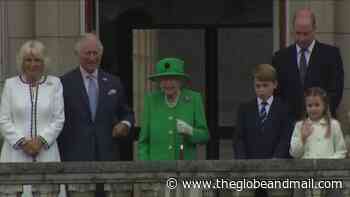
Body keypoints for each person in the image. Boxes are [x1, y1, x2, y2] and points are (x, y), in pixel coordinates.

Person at [58, 33, 134, 197]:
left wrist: (125, 124)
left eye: (96, 53)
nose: (92, 58)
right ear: (78, 54)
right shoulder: (64, 83)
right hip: (76, 159)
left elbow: (126, 112)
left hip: (108, 158)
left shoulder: (114, 82)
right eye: (87, 53)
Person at [0, 40, 65, 196]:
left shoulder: (55, 84)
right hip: (15, 153)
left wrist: (40, 141)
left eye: (37, 60)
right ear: (21, 62)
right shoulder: (10, 84)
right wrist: (23, 142)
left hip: (46, 152)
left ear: (44, 62)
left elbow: (58, 119)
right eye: (28, 60)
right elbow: (3, 119)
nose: (32, 64)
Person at [272, 8, 344, 121]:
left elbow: (336, 91)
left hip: (322, 124)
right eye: (298, 33)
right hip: (289, 125)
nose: (301, 38)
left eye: (306, 34)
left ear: (314, 29)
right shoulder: (280, 58)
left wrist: (317, 116)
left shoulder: (331, 55)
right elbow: (276, 94)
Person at [233, 64, 293, 197]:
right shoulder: (245, 109)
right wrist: (242, 160)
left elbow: (286, 136)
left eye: (265, 85)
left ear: (275, 84)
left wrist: (276, 159)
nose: (261, 90)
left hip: (276, 169)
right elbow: (239, 138)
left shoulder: (284, 108)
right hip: (249, 168)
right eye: (257, 86)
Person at [138, 57, 209, 160]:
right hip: (157, 169)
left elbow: (205, 136)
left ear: (180, 81)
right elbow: (143, 141)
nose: (168, 84)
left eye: (172, 79)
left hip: (185, 168)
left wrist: (190, 131)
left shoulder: (194, 99)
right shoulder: (151, 100)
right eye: (164, 80)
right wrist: (145, 168)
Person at [290, 87, 346, 197]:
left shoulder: (334, 125)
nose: (313, 109)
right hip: (305, 178)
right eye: (310, 106)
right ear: (306, 107)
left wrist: (326, 164)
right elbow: (294, 153)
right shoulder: (299, 126)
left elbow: (341, 152)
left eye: (317, 105)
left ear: (324, 106)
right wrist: (302, 137)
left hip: (329, 178)